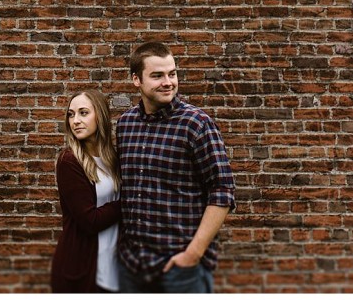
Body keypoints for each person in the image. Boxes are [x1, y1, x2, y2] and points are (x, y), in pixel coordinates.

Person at [115, 42, 236, 293]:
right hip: (131, 268)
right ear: (136, 80)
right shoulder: (125, 124)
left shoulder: (196, 124)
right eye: (157, 75)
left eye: (172, 73)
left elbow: (222, 191)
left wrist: (193, 254)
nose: (168, 82)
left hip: (180, 271)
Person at [51, 89, 122, 293]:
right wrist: (131, 201)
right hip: (80, 270)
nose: (76, 121)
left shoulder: (113, 159)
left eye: (83, 113)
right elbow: (89, 220)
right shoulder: (70, 161)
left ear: (99, 115)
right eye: (71, 114)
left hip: (114, 267)